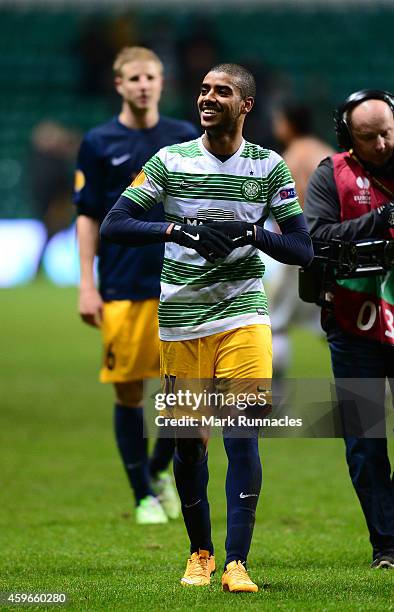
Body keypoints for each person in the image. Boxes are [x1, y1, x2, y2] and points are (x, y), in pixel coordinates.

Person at [101, 63, 313, 592]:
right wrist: (181, 227)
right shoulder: (170, 161)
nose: (208, 98)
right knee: (188, 444)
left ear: (246, 106)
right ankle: (200, 552)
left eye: (222, 91)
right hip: (179, 320)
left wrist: (250, 231)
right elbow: (116, 224)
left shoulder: (269, 168)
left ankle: (237, 563)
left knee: (241, 435)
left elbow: (302, 247)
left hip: (243, 314)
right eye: (203, 90)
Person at [73, 46, 199, 525]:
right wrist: (88, 284)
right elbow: (87, 217)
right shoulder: (99, 141)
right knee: (129, 393)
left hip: (181, 284)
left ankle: (158, 472)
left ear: (162, 82)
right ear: (119, 84)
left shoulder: (184, 137)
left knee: (184, 395)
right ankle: (143, 494)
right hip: (123, 285)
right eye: (135, 78)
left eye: (151, 76)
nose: (144, 84)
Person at [304, 89, 394, 569]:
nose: (381, 144)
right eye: (368, 136)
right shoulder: (329, 174)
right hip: (353, 321)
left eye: (387, 133)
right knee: (364, 439)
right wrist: (380, 221)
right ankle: (387, 545)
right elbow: (315, 237)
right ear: (347, 137)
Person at [268, 103, 335, 381]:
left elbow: (292, 209)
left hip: (301, 245)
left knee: (275, 320)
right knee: (330, 319)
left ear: (289, 124)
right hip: (331, 245)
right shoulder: (327, 152)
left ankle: (268, 393)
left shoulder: (292, 157)